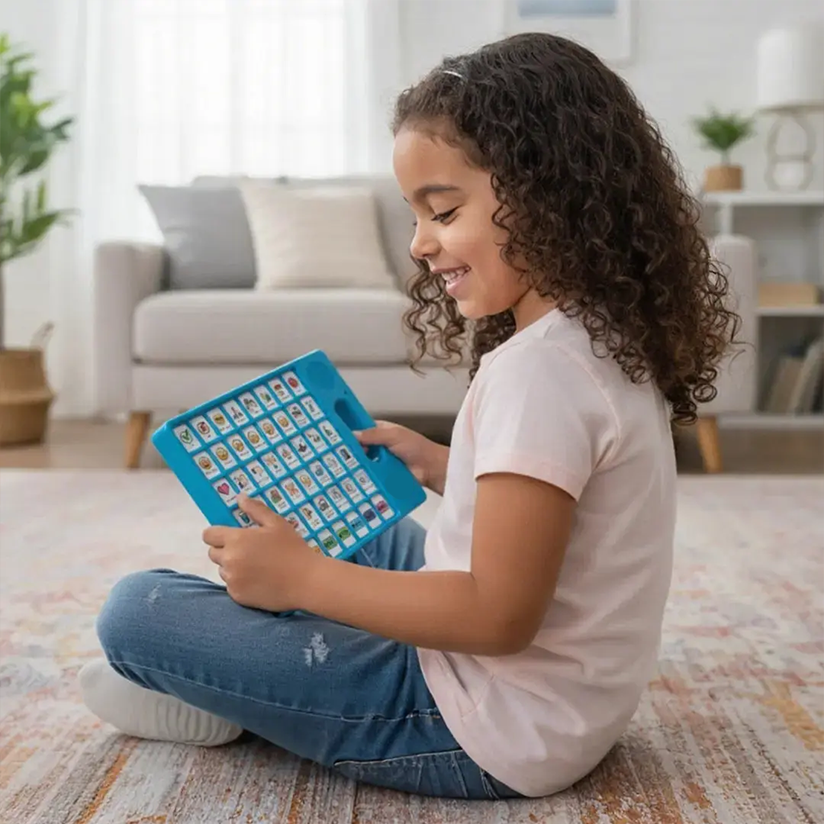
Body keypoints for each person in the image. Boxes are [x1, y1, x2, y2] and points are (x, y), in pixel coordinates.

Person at [79, 32, 739, 800]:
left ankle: (227, 700)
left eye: (444, 211)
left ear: (547, 191)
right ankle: (252, 667)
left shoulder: (541, 373)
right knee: (364, 516)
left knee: (135, 611)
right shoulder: (598, 340)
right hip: (562, 709)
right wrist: (444, 465)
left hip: (472, 725)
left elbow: (496, 617)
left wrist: (308, 578)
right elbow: (569, 507)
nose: (422, 245)